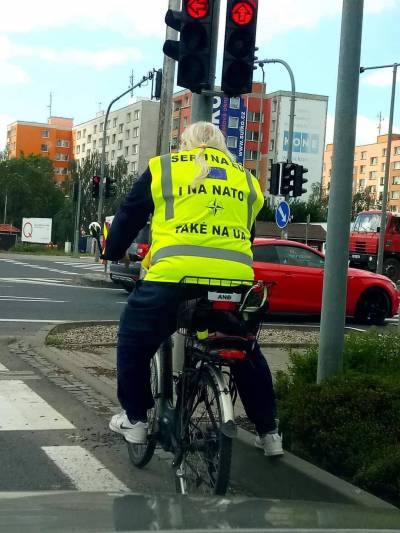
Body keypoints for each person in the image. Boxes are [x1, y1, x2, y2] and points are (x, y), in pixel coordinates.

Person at [103, 121, 283, 457]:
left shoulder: (165, 167)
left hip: (174, 279)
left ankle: (136, 420)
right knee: (244, 350)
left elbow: (130, 214)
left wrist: (111, 252)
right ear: (221, 145)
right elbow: (247, 232)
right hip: (233, 282)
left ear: (185, 143)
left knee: (133, 340)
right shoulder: (246, 179)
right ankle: (269, 433)